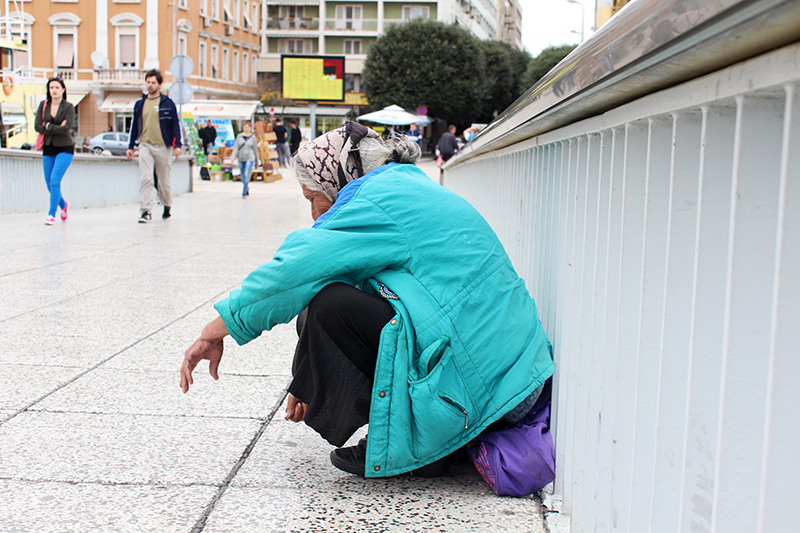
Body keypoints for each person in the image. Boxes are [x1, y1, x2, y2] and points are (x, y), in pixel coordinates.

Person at [180, 122, 555, 479]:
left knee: (329, 303)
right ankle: (437, 439)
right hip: (517, 383)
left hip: (491, 396)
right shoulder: (404, 186)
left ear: (337, 178)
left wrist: (215, 331)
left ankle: (424, 445)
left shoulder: (375, 202)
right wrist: (306, 377)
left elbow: (293, 272)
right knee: (338, 292)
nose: (313, 212)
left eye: (314, 197)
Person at [126, 69, 182, 223]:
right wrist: (131, 146)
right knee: (146, 179)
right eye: (148, 82)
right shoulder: (140, 104)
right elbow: (134, 127)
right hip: (145, 145)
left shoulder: (168, 103)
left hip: (163, 146)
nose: (150, 85)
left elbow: (175, 126)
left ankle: (167, 204)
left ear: (159, 84)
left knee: (163, 181)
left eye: (153, 83)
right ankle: (145, 211)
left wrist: (177, 145)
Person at [34, 76, 74, 226]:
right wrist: (53, 127)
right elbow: (37, 126)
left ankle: (51, 214)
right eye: (51, 87)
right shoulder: (43, 105)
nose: (54, 90)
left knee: (55, 180)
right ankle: (63, 205)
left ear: (63, 89)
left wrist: (48, 126)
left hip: (65, 148)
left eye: (57, 87)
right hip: (48, 147)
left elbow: (66, 129)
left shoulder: (69, 107)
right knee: (49, 184)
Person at [231, 121, 260, 198]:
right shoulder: (239, 137)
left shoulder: (253, 138)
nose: (246, 129)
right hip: (241, 158)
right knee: (242, 176)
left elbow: (255, 150)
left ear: (250, 128)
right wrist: (233, 157)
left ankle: (244, 192)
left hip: (250, 158)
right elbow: (236, 148)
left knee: (247, 174)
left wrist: (257, 161)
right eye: (245, 127)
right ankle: (246, 187)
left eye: (248, 127)